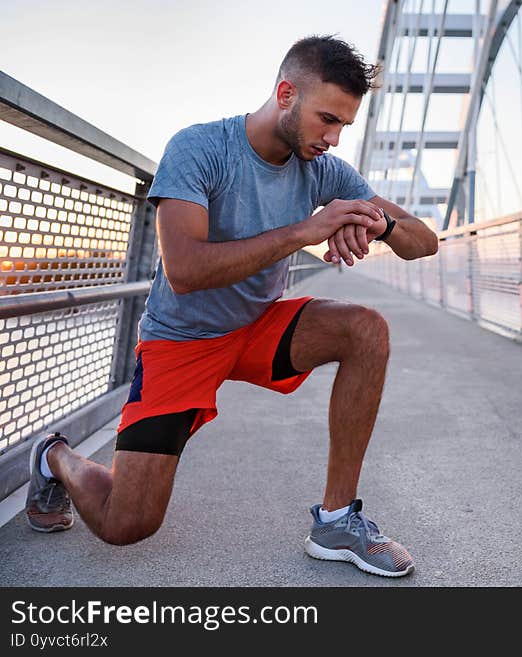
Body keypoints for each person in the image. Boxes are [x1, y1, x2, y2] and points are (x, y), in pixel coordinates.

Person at [24, 35, 437, 578]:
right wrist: (308, 230)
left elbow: (423, 241)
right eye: (326, 119)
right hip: (181, 341)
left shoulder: (324, 170)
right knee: (126, 522)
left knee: (366, 329)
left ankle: (337, 520)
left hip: (256, 327)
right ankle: (54, 455)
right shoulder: (199, 148)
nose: (334, 139)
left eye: (344, 126)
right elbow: (187, 270)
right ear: (286, 93)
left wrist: (375, 223)